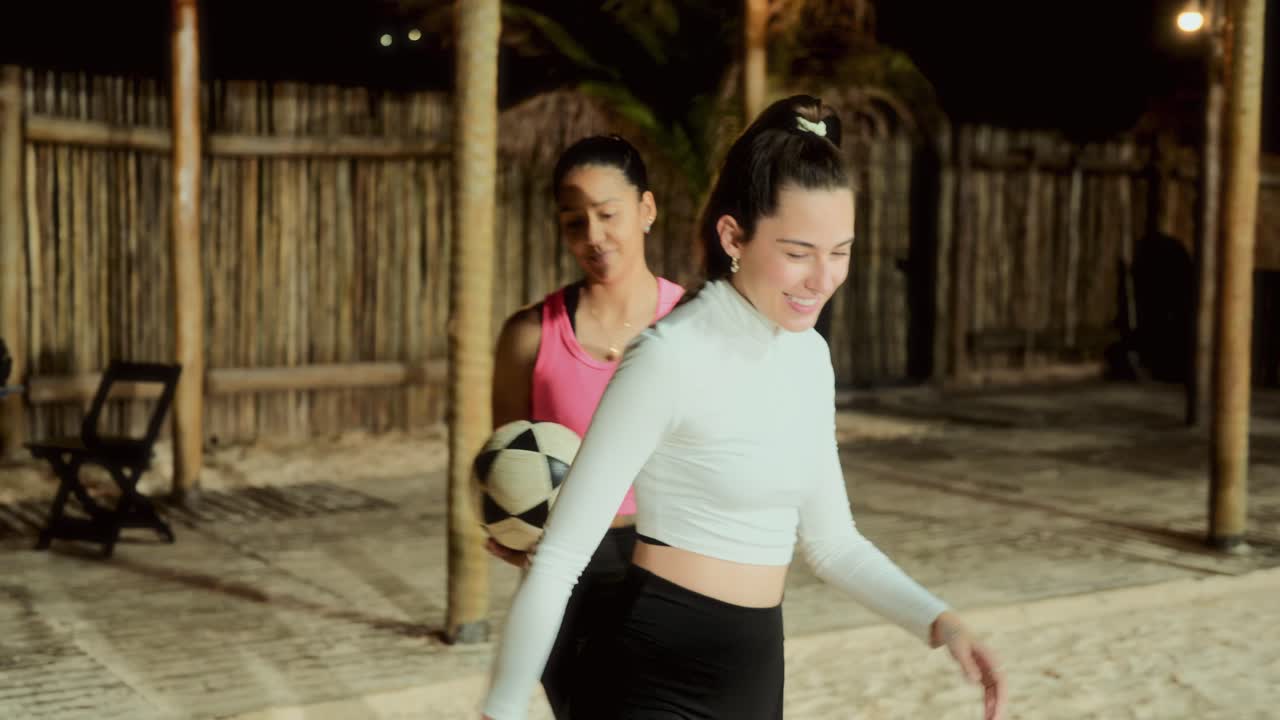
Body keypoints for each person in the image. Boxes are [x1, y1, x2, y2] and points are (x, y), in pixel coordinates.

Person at [482, 96, 1006, 720]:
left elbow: (833, 543)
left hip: (756, 672)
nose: (822, 277)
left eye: (839, 251)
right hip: (652, 675)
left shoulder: (808, 357)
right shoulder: (668, 355)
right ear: (734, 236)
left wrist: (940, 621)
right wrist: (505, 707)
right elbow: (561, 557)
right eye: (797, 251)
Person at [487, 135, 685, 719]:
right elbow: (509, 462)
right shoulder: (528, 335)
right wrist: (512, 524)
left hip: (677, 563)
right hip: (571, 570)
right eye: (575, 221)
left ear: (646, 210)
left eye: (607, 214)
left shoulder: (699, 325)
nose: (593, 236)